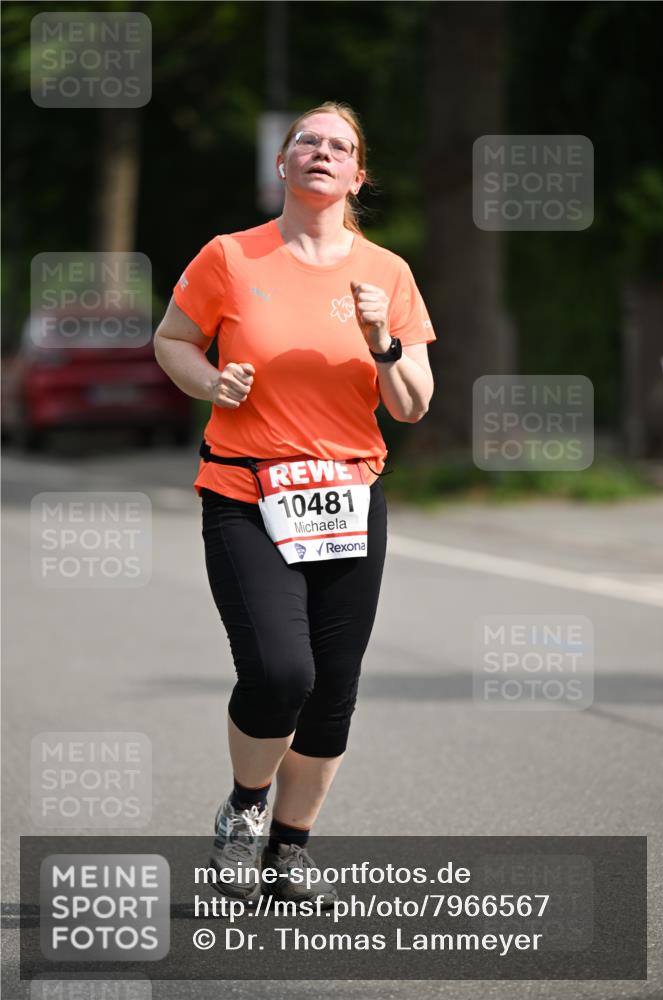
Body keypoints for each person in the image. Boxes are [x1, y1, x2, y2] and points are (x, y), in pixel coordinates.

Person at [154, 101, 436, 908]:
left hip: (348, 495)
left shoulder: (387, 274)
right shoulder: (229, 257)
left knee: (333, 685)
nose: (320, 151)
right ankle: (246, 807)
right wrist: (212, 381)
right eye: (304, 140)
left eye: (338, 145)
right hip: (246, 490)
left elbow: (413, 404)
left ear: (357, 175)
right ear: (281, 165)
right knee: (282, 671)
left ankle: (290, 849)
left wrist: (382, 341)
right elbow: (171, 340)